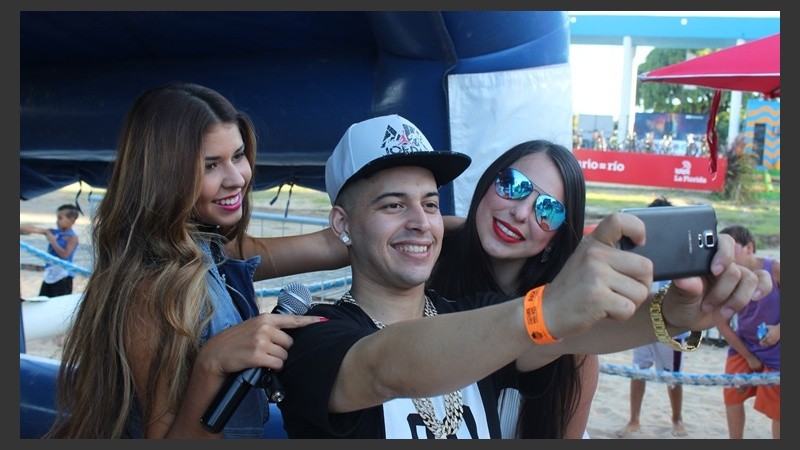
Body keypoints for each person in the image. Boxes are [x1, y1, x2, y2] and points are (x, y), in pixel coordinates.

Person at [275, 113, 767, 439]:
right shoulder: (311, 336)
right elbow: (383, 367)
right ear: (343, 223)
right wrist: (548, 308)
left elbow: (564, 337)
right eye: (392, 204)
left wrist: (679, 313)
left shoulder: (478, 316)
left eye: (428, 204)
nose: (420, 222)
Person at [46, 82, 349, 438]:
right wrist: (212, 364)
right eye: (210, 166)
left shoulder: (211, 251)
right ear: (165, 175)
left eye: (238, 156)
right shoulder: (151, 287)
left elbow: (333, 245)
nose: (237, 179)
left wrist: (422, 225)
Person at [428, 140, 598, 439]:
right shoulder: (427, 267)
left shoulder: (569, 344)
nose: (520, 212)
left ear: (557, 239)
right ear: (488, 182)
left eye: (547, 210)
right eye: (513, 185)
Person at [616, 195, 689, 438]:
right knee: (638, 370)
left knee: (673, 377)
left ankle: (677, 419)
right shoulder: (641, 249)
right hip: (641, 323)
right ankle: (634, 419)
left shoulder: (679, 251)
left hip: (672, 326)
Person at [717, 225, 780, 439]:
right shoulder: (727, 278)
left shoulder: (775, 269)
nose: (725, 254)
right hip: (744, 346)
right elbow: (722, 324)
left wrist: (780, 329)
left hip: (778, 350)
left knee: (778, 410)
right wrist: (748, 357)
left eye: (731, 247)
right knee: (732, 395)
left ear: (749, 247)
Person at [20, 203, 81, 297]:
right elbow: (35, 229)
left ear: (71, 220)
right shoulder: (53, 232)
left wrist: (53, 241)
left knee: (58, 304)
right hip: (50, 274)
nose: (57, 221)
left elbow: (65, 256)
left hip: (64, 277)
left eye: (60, 218)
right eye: (57, 218)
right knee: (41, 300)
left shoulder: (72, 237)